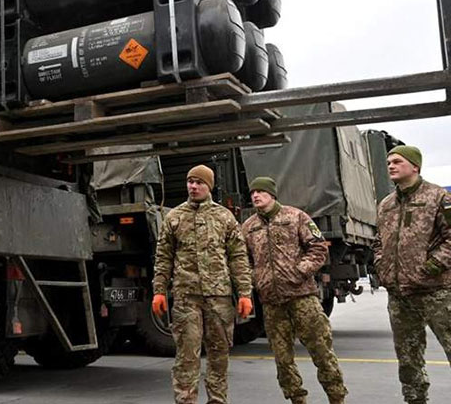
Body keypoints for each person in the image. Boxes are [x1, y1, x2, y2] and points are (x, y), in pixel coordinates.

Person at [152, 164, 253, 404]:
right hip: (187, 297)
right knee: (187, 357)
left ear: (209, 186)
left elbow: (238, 257)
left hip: (218, 298)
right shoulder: (174, 217)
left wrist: (245, 293)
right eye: (191, 182)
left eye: (199, 182)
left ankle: (217, 400)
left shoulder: (224, 217)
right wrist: (159, 290)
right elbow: (163, 257)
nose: (193, 186)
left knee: (219, 356)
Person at [241, 176, 347, 404]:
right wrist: (255, 278)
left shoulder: (295, 216)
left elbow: (318, 248)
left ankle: (336, 398)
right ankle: (297, 399)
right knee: (282, 359)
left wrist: (299, 271)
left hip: (302, 298)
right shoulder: (249, 227)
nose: (255, 196)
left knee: (321, 351)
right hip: (271, 302)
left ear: (272, 194)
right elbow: (242, 260)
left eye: (260, 192)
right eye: (252, 193)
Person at [372, 145, 451, 404]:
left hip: (436, 292)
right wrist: (382, 265)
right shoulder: (386, 204)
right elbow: (378, 241)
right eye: (388, 162)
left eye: (397, 161)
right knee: (408, 359)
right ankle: (415, 400)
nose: (391, 166)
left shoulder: (438, 197)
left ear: (415, 166)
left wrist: (432, 266)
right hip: (400, 295)